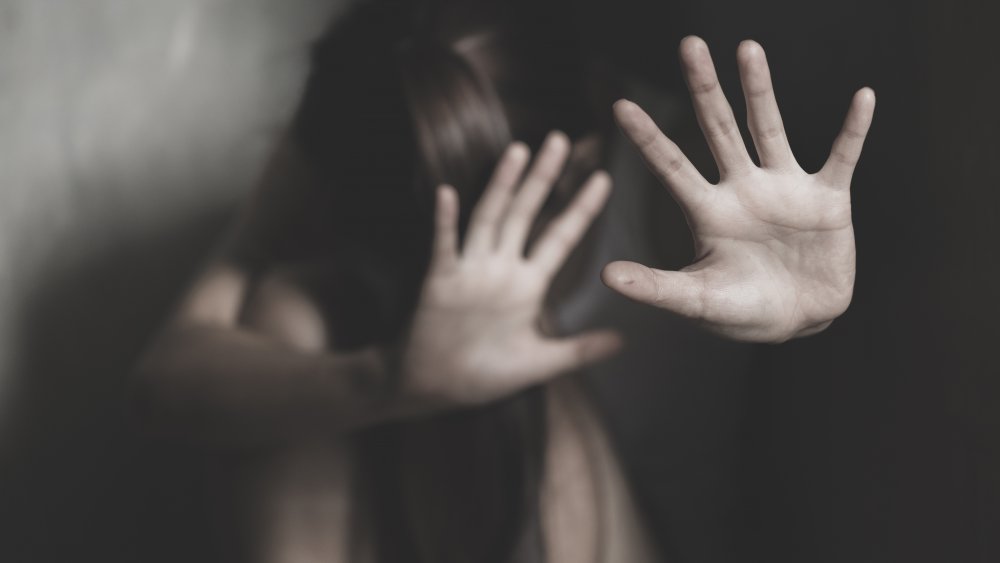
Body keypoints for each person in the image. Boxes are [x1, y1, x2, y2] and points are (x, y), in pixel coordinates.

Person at [133, 0, 874, 561]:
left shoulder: (672, 178)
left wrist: (814, 324)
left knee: (523, 366)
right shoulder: (369, 106)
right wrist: (391, 380)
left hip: (626, 533)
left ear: (582, 162)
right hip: (420, 512)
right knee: (292, 316)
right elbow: (170, 384)